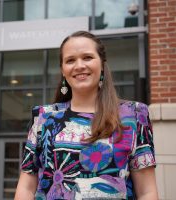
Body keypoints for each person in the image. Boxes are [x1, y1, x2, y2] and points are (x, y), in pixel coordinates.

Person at [14, 31, 158, 200]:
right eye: (70, 60)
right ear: (63, 70)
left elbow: (147, 192)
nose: (79, 65)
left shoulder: (134, 115)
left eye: (88, 57)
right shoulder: (43, 117)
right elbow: (26, 187)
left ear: (102, 64)